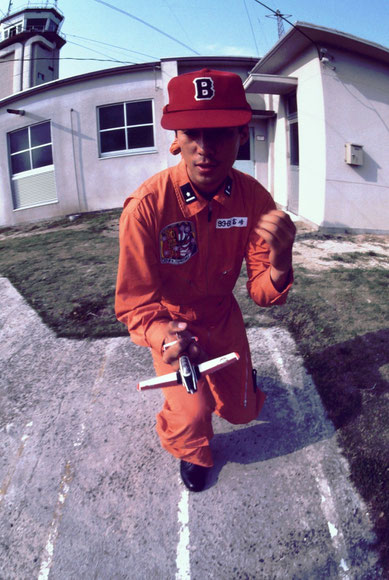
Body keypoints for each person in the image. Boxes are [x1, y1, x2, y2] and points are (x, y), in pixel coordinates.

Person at [115, 68, 296, 492]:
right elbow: (135, 303)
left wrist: (282, 260)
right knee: (194, 415)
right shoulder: (146, 208)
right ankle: (192, 451)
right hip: (175, 323)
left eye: (220, 132)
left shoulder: (255, 199)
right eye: (192, 132)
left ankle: (238, 383)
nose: (205, 148)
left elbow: (260, 292)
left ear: (241, 136)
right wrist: (164, 336)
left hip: (223, 317)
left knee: (244, 412)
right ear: (176, 138)